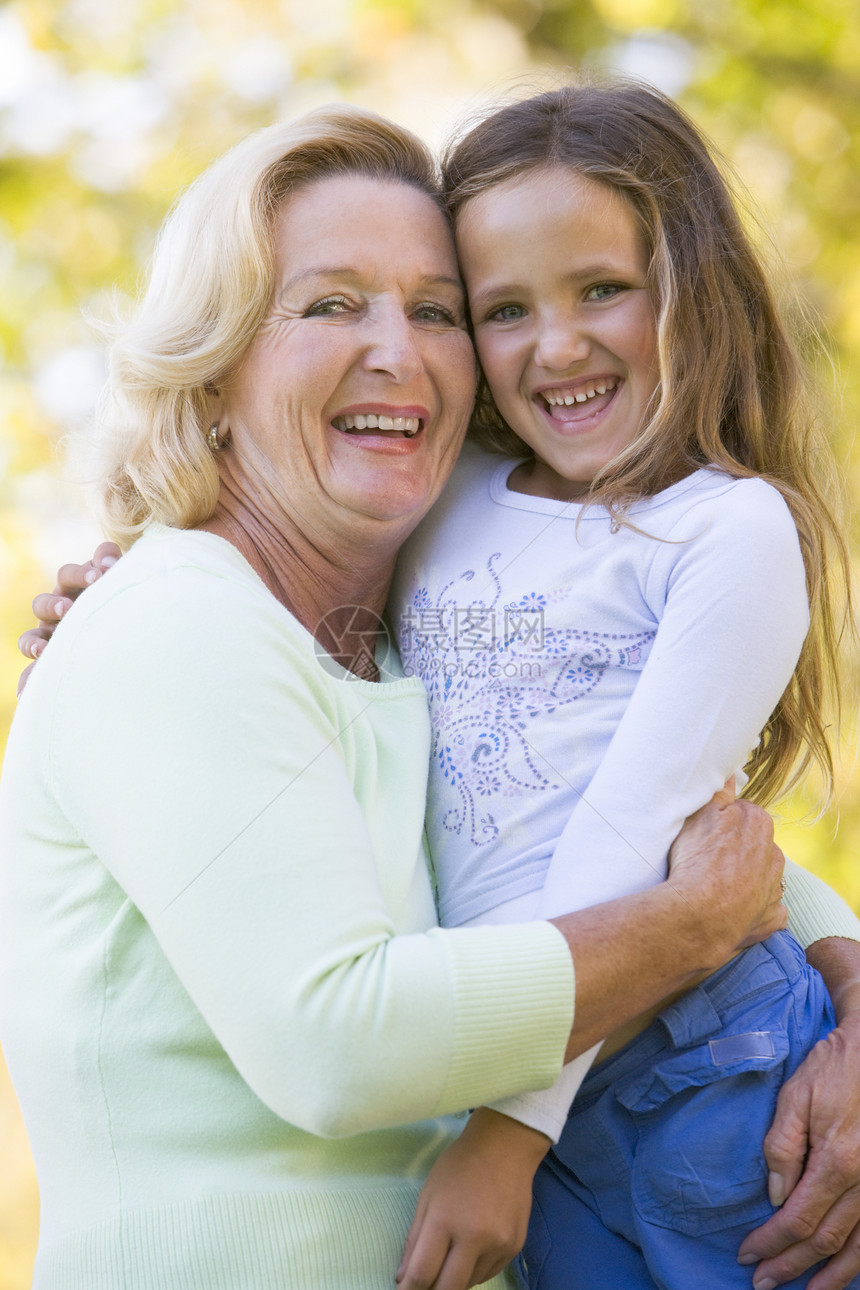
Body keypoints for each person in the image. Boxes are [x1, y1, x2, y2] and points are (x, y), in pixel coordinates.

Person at [10, 100, 860, 1290]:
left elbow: (607, 810)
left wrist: (838, 969)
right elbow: (336, 1045)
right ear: (211, 373)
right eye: (328, 304)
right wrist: (681, 930)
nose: (397, 352)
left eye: (437, 310)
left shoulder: (391, 646)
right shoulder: (178, 627)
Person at [383, 82, 860, 1289]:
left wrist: (507, 1132)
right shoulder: (443, 502)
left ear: (689, 285)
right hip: (525, 1096)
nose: (557, 346)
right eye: (503, 309)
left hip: (712, 1084)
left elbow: (633, 822)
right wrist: (131, 575)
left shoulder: (725, 529)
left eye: (602, 288)